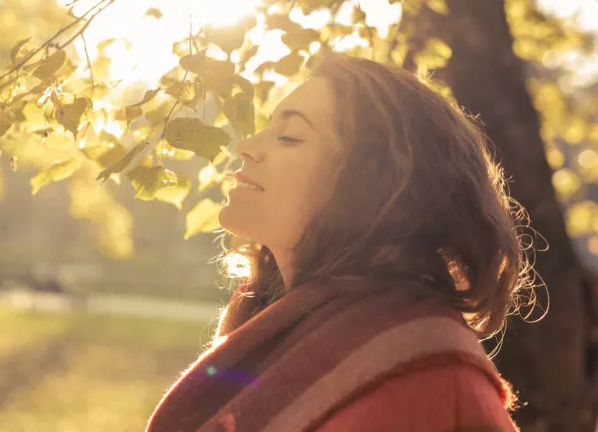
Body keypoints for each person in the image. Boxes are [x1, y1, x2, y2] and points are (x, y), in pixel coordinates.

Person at [146, 53, 535, 432]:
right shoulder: (267, 335)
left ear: (373, 186)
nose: (245, 145)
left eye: (289, 136)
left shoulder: (423, 373)